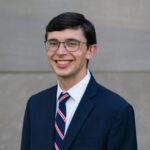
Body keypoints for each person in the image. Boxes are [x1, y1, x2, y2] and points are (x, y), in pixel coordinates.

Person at [21, 12, 137, 150]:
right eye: (53, 43)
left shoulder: (117, 110)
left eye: (71, 43)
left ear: (91, 51)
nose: (61, 52)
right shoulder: (35, 105)